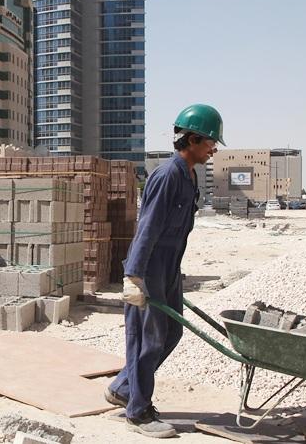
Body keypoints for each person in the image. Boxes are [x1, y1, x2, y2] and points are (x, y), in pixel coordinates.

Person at [106, 104, 225, 438]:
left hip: (170, 268)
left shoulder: (189, 175)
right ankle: (139, 412)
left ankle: (124, 387)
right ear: (192, 139)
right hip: (149, 268)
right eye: (210, 143)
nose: (213, 149)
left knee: (171, 333)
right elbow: (148, 227)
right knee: (148, 339)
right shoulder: (167, 174)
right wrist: (133, 275)